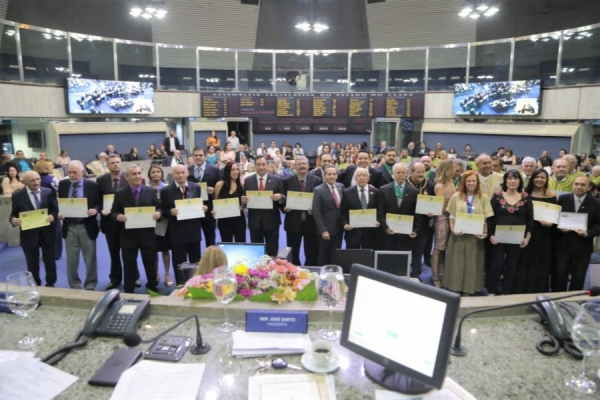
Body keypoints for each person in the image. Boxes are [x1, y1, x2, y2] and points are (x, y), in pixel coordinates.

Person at [110, 165, 162, 293]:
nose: (137, 176)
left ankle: (152, 288)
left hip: (148, 235)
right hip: (128, 236)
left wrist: (159, 213)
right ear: (126, 177)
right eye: (134, 174)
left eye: (139, 173)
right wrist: (117, 217)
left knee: (150, 264)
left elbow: (160, 208)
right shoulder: (120, 193)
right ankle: (129, 290)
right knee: (129, 265)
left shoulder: (150, 191)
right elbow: (113, 213)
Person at [443, 171, 493, 296]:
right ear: (464, 182)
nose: (471, 183)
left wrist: (485, 232)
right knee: (457, 262)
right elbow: (452, 215)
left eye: (473, 181)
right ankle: (455, 287)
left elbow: (486, 218)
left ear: (477, 183)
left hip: (475, 238)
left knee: (472, 263)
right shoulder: (456, 196)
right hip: (458, 236)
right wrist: (453, 228)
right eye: (468, 181)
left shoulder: (484, 197)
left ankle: (468, 290)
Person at [487, 170, 534, 295]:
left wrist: (527, 237)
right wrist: (490, 234)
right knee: (496, 264)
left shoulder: (526, 197)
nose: (512, 181)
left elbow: (530, 219)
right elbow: (490, 217)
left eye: (515, 179)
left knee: (512, 265)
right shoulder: (497, 196)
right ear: (505, 181)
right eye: (509, 178)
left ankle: (506, 292)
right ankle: (491, 291)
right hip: (498, 238)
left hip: (517, 238)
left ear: (520, 181)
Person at [98, 154, 140, 290]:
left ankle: (134, 277)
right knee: (114, 252)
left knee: (130, 252)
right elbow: (98, 200)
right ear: (107, 165)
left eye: (118, 162)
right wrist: (100, 210)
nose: (115, 164)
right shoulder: (101, 180)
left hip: (128, 222)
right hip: (110, 223)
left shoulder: (130, 177)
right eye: (112, 163)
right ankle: (115, 279)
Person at [161, 164, 206, 286]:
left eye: (183, 172)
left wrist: (203, 208)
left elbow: (199, 204)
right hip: (177, 233)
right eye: (177, 173)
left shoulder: (196, 187)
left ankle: (197, 285)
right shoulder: (165, 191)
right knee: (179, 263)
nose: (180, 175)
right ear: (172, 175)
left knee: (196, 262)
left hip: (194, 231)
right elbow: (162, 210)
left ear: (187, 173)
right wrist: (169, 212)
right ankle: (180, 286)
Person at [10, 171, 57, 287]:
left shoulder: (48, 192)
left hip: (47, 234)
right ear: (24, 182)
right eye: (32, 180)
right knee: (32, 265)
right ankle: (36, 287)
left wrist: (53, 216)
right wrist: (13, 220)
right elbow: (13, 214)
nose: (36, 183)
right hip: (29, 236)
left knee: (50, 263)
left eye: (38, 179)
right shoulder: (18, 195)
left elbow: (54, 210)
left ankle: (51, 285)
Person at [57, 160, 100, 290]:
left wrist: (96, 210)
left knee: (90, 258)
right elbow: (61, 202)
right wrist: (60, 212)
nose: (71, 175)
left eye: (74, 172)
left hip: (86, 226)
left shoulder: (92, 186)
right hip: (69, 226)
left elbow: (99, 203)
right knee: (71, 259)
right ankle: (74, 285)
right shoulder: (63, 184)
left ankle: (90, 285)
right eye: (69, 172)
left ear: (82, 172)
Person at [553, 176, 600, 292]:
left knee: (578, 279)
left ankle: (574, 304)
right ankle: (557, 303)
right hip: (562, 247)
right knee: (559, 277)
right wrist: (560, 229)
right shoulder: (562, 199)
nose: (579, 187)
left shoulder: (596, 203)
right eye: (576, 184)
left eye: (583, 185)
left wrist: (587, 233)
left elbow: (598, 225)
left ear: (589, 187)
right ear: (572, 185)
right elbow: (554, 219)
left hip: (582, 247)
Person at [519, 168, 556, 293]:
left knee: (542, 263)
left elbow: (556, 217)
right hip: (527, 233)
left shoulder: (551, 196)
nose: (539, 180)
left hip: (544, 234)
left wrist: (551, 224)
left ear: (546, 180)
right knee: (525, 262)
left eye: (542, 177)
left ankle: (539, 290)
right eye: (537, 177)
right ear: (532, 178)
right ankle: (524, 290)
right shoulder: (524, 194)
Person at [241, 155, 285, 257]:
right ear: (254, 166)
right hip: (254, 221)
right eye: (259, 165)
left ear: (267, 165)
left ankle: (272, 271)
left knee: (272, 251)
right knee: (256, 252)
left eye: (263, 164)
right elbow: (244, 201)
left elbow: (284, 198)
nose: (261, 167)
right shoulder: (248, 180)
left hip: (272, 221)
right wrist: (243, 201)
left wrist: (280, 197)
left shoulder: (277, 180)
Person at [282, 156, 321, 266]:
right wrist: (284, 208)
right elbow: (283, 199)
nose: (302, 166)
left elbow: (319, 200)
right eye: (299, 164)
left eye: (304, 164)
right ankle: (294, 273)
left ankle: (311, 272)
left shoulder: (317, 181)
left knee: (311, 252)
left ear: (308, 166)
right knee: (293, 253)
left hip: (311, 222)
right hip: (293, 222)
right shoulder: (286, 181)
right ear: (294, 166)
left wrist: (314, 209)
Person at [377, 163, 421, 252]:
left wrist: (416, 230)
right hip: (388, 232)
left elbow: (417, 213)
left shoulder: (414, 191)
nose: (400, 175)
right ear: (393, 174)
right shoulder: (383, 189)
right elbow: (380, 212)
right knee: (387, 259)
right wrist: (385, 228)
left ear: (407, 174)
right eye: (398, 172)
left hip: (405, 233)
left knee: (402, 260)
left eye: (403, 172)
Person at [340, 167, 380, 252]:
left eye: (364, 175)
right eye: (359, 175)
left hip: (371, 232)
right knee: (352, 258)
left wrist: (378, 221)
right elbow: (343, 211)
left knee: (369, 260)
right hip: (353, 232)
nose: (361, 178)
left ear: (368, 178)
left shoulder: (376, 192)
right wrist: (345, 224)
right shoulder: (347, 192)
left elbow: (380, 210)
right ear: (355, 178)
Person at [407, 161, 435, 279]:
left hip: (423, 224)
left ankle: (416, 274)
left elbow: (435, 204)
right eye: (418, 172)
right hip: (405, 222)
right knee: (404, 249)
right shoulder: (404, 184)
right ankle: (401, 272)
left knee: (418, 250)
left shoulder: (430, 186)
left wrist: (432, 214)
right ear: (411, 172)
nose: (421, 174)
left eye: (423, 172)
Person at [188, 147, 221, 247]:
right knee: (193, 238)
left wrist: (214, 191)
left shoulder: (215, 170)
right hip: (192, 209)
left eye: (200, 155)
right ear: (192, 157)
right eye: (196, 155)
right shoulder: (187, 171)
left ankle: (211, 260)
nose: (198, 157)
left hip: (209, 209)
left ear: (205, 156)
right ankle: (196, 261)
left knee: (210, 237)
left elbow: (220, 189)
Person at [312, 164, 344, 265]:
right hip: (325, 230)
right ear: (324, 176)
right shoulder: (318, 190)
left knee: (335, 254)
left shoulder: (341, 187)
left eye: (334, 174)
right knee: (323, 254)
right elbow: (316, 211)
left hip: (338, 228)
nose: (332, 176)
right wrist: (323, 230)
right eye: (329, 174)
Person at [431, 160, 456, 287]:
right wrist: (455, 214)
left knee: (444, 248)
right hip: (443, 219)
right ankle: (435, 276)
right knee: (438, 248)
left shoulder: (451, 182)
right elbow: (441, 207)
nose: (456, 170)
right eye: (454, 168)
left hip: (451, 218)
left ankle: (442, 273)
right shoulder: (440, 186)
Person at [147, 165, 172, 287]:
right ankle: (155, 273)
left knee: (165, 250)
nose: (156, 174)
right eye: (153, 172)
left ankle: (167, 273)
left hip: (164, 223)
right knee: (153, 251)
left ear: (162, 174)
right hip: (149, 223)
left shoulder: (167, 188)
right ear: (149, 174)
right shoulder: (145, 189)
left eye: (158, 172)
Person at [214, 161, 246, 243]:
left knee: (241, 243)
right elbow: (216, 202)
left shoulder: (242, 185)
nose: (236, 172)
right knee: (226, 243)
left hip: (239, 220)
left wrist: (243, 206)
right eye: (232, 170)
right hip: (224, 220)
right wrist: (214, 211)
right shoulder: (219, 185)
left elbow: (245, 203)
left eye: (237, 169)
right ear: (227, 171)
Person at [34, 160, 61, 260]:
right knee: (55, 231)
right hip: (52, 208)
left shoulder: (33, 178)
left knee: (41, 232)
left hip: (38, 208)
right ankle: (55, 253)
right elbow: (60, 190)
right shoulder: (52, 179)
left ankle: (44, 252)